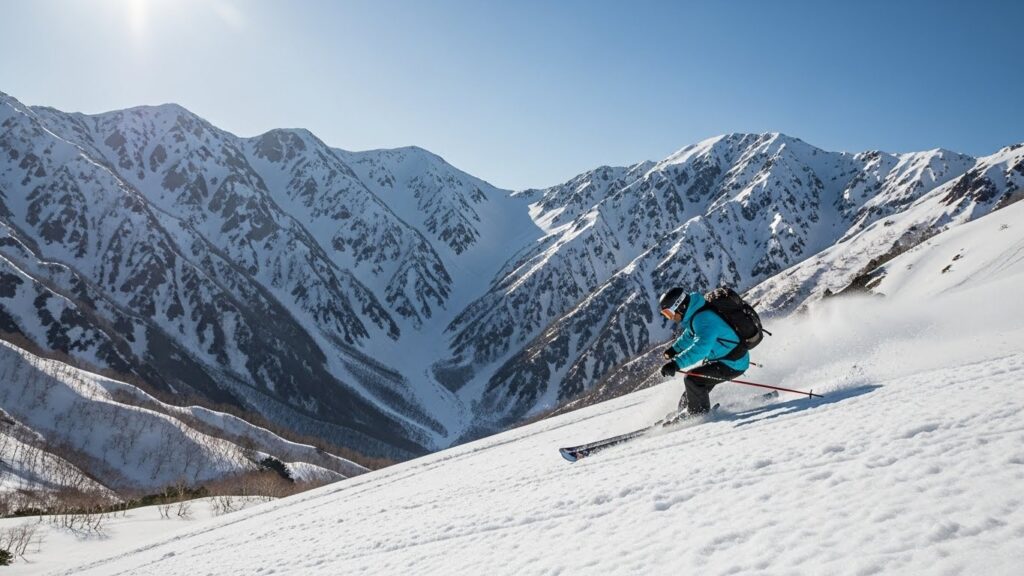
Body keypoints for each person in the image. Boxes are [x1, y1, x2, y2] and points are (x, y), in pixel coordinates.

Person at [658, 287, 750, 420]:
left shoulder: (704, 319)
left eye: (669, 313)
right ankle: (684, 412)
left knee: (692, 380)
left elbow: (701, 348)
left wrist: (676, 364)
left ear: (680, 306)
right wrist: (675, 349)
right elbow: (690, 334)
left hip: (733, 363)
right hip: (722, 359)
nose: (670, 318)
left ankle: (697, 415)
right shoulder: (696, 314)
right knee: (691, 391)